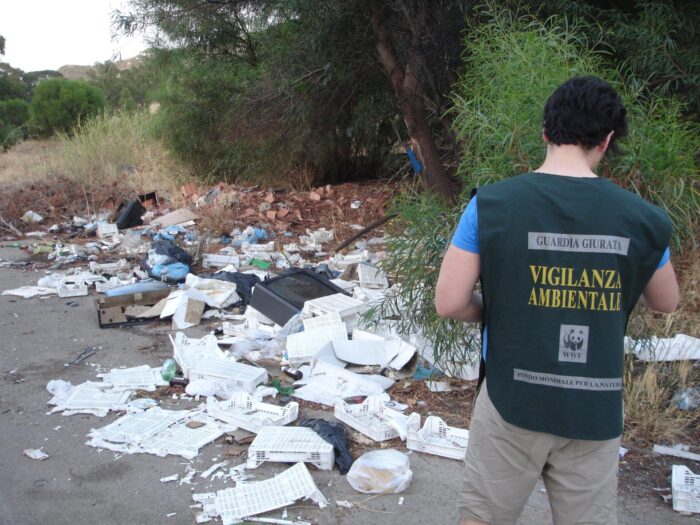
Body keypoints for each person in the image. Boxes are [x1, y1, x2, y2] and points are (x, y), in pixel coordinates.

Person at [435, 76, 679, 525]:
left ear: (545, 132)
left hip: (512, 399)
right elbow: (666, 301)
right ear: (606, 141)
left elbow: (449, 302)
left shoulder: (492, 205)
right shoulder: (643, 220)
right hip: (594, 405)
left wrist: (496, 312)